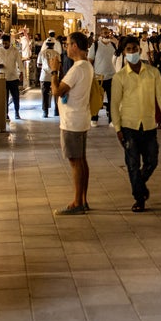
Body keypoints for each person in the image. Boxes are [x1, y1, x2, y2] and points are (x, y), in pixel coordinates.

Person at [111, 36, 161, 212]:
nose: (132, 52)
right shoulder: (120, 77)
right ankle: (139, 198)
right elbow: (114, 105)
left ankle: (139, 185)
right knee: (132, 164)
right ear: (124, 52)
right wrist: (117, 128)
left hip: (148, 124)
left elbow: (160, 95)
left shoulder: (153, 72)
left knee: (152, 161)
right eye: (128, 49)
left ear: (140, 49)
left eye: (134, 49)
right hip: (128, 126)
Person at [49, 32, 94, 215]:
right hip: (80, 118)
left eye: (68, 44)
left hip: (72, 121)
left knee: (75, 162)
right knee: (81, 160)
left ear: (75, 46)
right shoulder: (86, 66)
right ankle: (82, 199)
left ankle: (77, 202)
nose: (66, 47)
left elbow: (57, 91)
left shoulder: (77, 68)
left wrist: (54, 71)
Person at [89, 27, 117, 125]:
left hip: (111, 76)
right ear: (100, 34)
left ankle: (112, 119)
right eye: (104, 33)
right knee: (97, 98)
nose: (107, 34)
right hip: (98, 77)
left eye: (108, 33)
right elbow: (90, 61)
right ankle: (94, 118)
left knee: (112, 99)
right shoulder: (95, 45)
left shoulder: (113, 45)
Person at [0, 33, 23, 120]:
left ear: (9, 42)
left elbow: (20, 63)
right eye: (3, 43)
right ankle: (5, 114)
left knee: (15, 96)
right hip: (3, 77)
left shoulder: (15, 51)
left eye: (6, 43)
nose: (5, 45)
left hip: (13, 77)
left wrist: (22, 73)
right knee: (4, 98)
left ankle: (17, 112)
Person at [37, 35, 61, 117]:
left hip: (44, 76)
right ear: (53, 45)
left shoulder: (41, 53)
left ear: (46, 44)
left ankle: (45, 112)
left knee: (45, 94)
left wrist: (45, 67)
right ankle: (56, 111)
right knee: (56, 93)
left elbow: (39, 65)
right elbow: (59, 65)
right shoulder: (57, 53)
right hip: (54, 76)